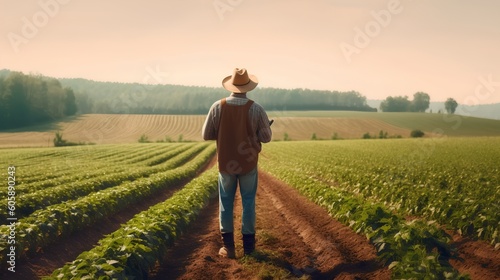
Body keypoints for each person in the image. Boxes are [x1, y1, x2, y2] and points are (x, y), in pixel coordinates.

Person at [202, 68, 272, 258]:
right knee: (248, 202)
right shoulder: (256, 108)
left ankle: (228, 248)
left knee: (225, 202)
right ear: (248, 87)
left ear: (231, 86)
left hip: (225, 163)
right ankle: (249, 249)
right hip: (248, 163)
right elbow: (266, 137)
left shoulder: (217, 106)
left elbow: (206, 134)